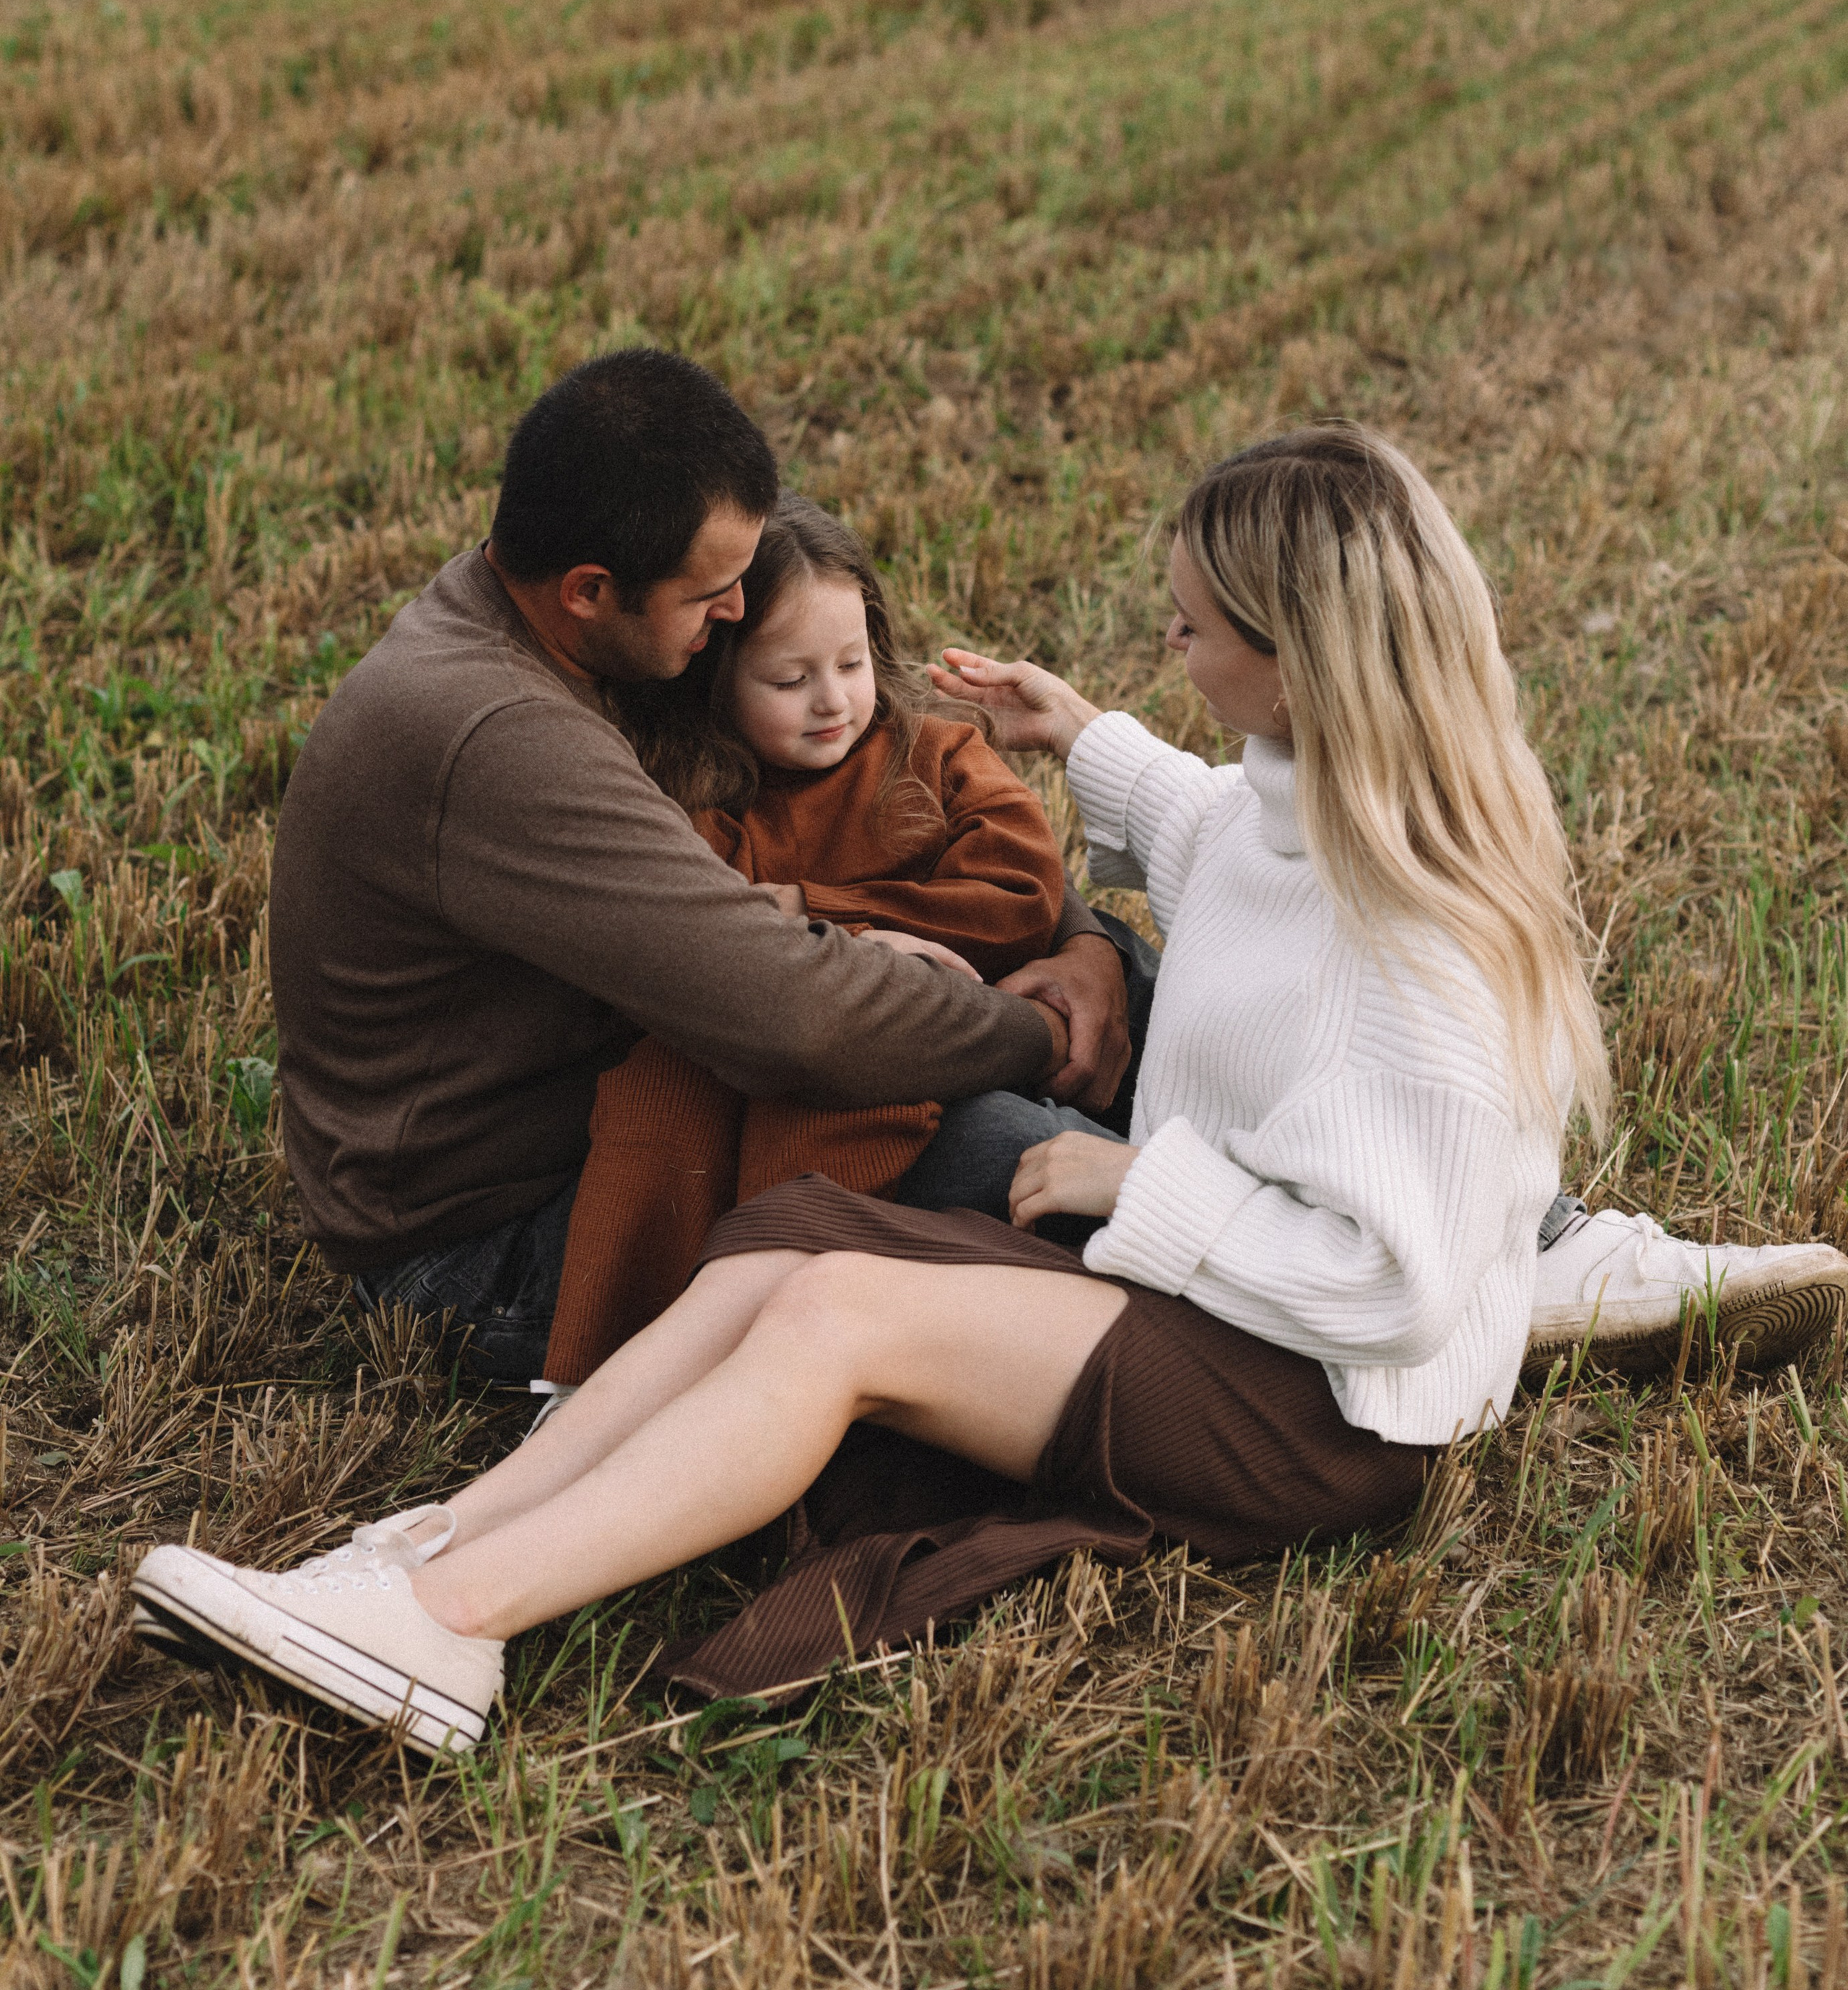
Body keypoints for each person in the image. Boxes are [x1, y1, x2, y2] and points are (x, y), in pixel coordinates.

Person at [142, 423, 1832, 1759]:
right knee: (783, 1239)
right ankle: (412, 1556)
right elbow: (1199, 832)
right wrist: (1076, 734)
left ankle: (462, 1628)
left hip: (1305, 1406)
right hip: (1241, 1323)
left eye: (1186, 621)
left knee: (835, 1322)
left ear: (1294, 654)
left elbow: (1384, 1295)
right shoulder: (1290, 796)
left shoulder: (1421, 962)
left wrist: (1134, 1192)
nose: (1159, 632)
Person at [266, 348, 1131, 1388]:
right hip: (501, 1238)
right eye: (713, 592)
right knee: (1012, 1157)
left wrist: (1078, 939)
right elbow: (796, 1015)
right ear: (591, 588)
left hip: (648, 1080)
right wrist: (1033, 1031)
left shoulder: (568, 618)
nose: (734, 615)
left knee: (1130, 970)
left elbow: (885, 808)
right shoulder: (501, 735)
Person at [539, 490, 1077, 1384]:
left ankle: (788, 1342)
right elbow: (707, 954)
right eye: (789, 680)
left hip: (932, 1053)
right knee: (655, 1099)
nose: (833, 701)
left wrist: (817, 911)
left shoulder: (935, 758)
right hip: (777, 1066)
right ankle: (610, 1365)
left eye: (853, 663)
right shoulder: (703, 812)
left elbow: (1018, 898)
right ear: (713, 684)